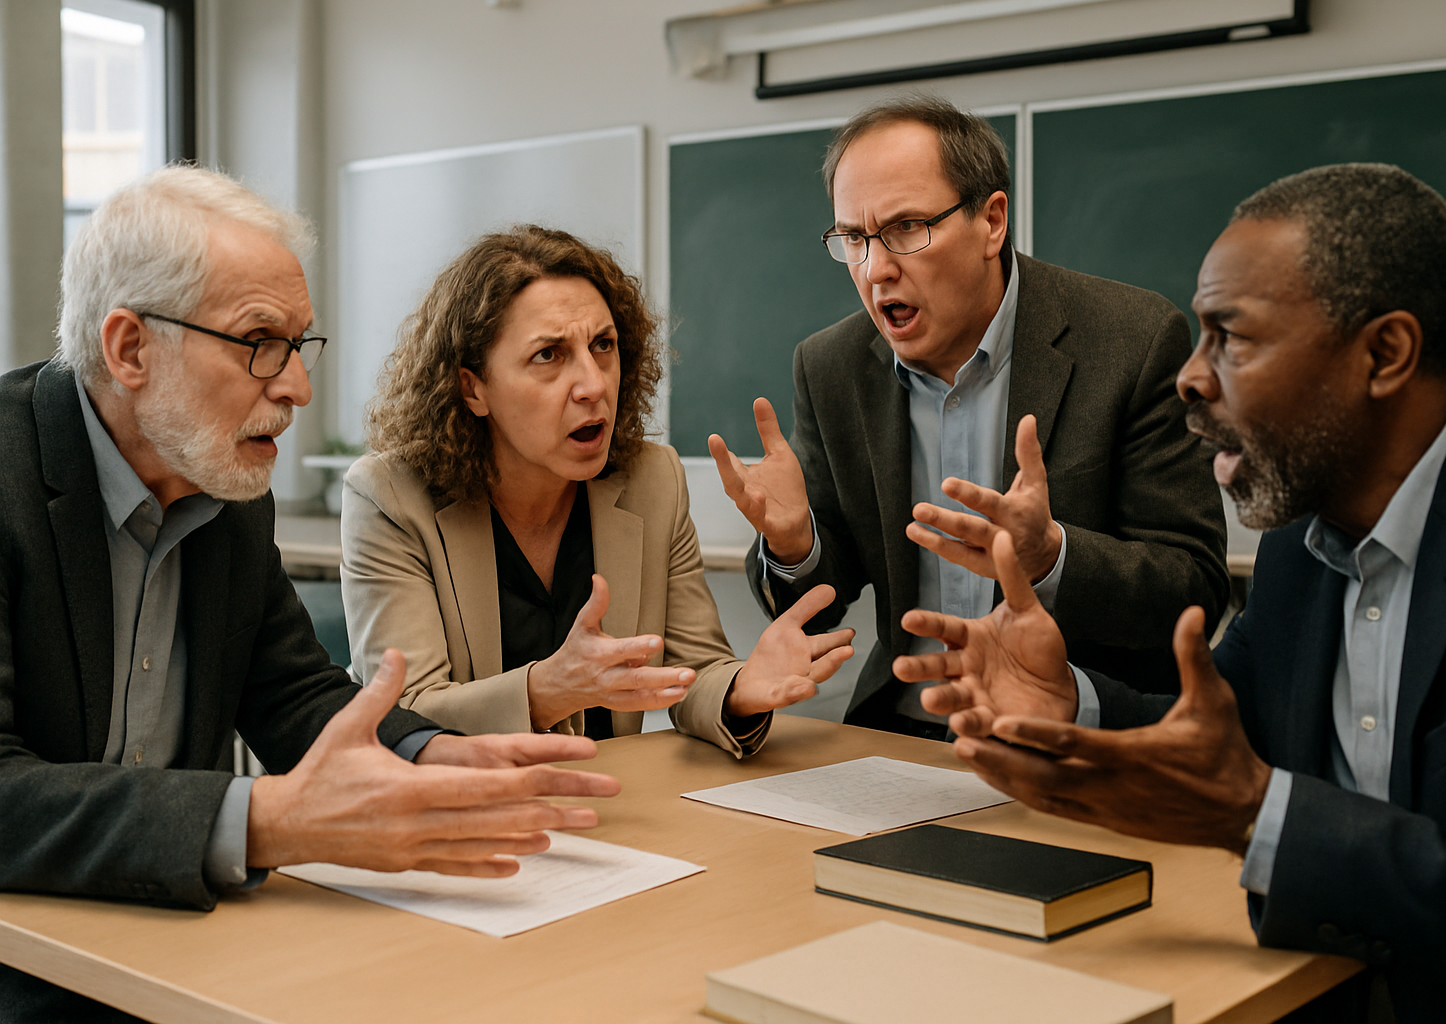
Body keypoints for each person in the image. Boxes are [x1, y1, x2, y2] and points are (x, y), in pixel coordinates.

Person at [894, 164, 1446, 1021]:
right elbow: (1229, 725)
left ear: (1385, 354)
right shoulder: (1303, 540)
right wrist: (1070, 703)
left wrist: (1262, 816)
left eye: (1231, 338)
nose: (1190, 379)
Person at [0, 168, 622, 1023]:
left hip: (174, 944)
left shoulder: (219, 479)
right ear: (131, 349)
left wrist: (426, 755)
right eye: (260, 342)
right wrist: (266, 819)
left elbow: (292, 690)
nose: (295, 386)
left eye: (299, 345)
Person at [708, 96, 1227, 737]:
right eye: (853, 239)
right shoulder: (832, 366)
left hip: (1078, 729)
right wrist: (794, 546)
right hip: (904, 727)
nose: (876, 269)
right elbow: (812, 614)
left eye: (905, 229)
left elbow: (1193, 593)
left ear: (992, 222)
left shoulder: (1133, 339)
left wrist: (1051, 557)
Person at [342, 226, 854, 755]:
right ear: (474, 388)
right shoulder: (389, 496)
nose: (593, 384)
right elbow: (406, 710)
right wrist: (547, 691)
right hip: (460, 811)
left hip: (607, 808)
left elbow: (696, 669)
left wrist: (738, 691)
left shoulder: (652, 478)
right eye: (549, 355)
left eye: (603, 346)